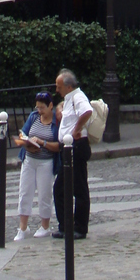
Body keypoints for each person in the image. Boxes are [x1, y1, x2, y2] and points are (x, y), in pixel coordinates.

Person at [13, 90, 60, 240]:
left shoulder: (56, 121)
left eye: (42, 108)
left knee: (45, 194)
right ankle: (23, 227)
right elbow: (23, 133)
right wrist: (26, 142)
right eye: (37, 107)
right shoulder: (34, 117)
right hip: (29, 159)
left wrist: (42, 143)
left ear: (50, 106)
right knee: (25, 192)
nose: (39, 111)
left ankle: (45, 226)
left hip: (46, 161)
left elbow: (59, 145)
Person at [52, 69, 92, 240]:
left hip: (76, 146)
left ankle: (80, 227)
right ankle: (66, 225)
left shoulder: (78, 97)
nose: (56, 89)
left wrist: (77, 129)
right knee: (60, 188)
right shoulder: (69, 98)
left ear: (68, 87)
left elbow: (87, 111)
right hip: (68, 148)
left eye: (59, 86)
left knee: (79, 187)